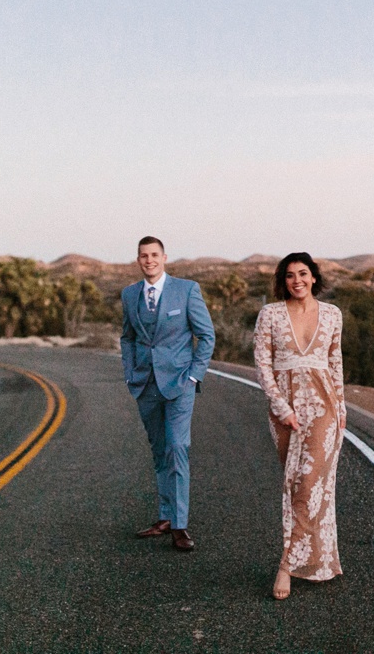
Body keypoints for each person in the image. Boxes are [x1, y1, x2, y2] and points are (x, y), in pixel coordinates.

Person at [253, 251, 346, 599]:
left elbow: (335, 362)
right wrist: (281, 407)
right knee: (296, 486)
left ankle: (286, 566)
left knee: (309, 484)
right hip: (285, 409)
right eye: (290, 275)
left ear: (314, 277)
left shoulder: (333, 314)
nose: (297, 281)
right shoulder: (270, 314)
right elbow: (263, 364)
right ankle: (315, 559)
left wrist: (341, 408)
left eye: (303, 273)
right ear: (283, 280)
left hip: (325, 408)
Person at [120, 236, 215, 552]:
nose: (149, 260)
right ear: (138, 260)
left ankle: (179, 525)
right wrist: (130, 372)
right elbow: (127, 337)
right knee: (160, 450)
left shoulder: (186, 290)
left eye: (154, 255)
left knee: (177, 447)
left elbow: (206, 335)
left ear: (164, 258)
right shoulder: (129, 294)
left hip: (179, 384)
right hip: (145, 384)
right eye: (143, 256)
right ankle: (164, 517)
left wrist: (194, 375)